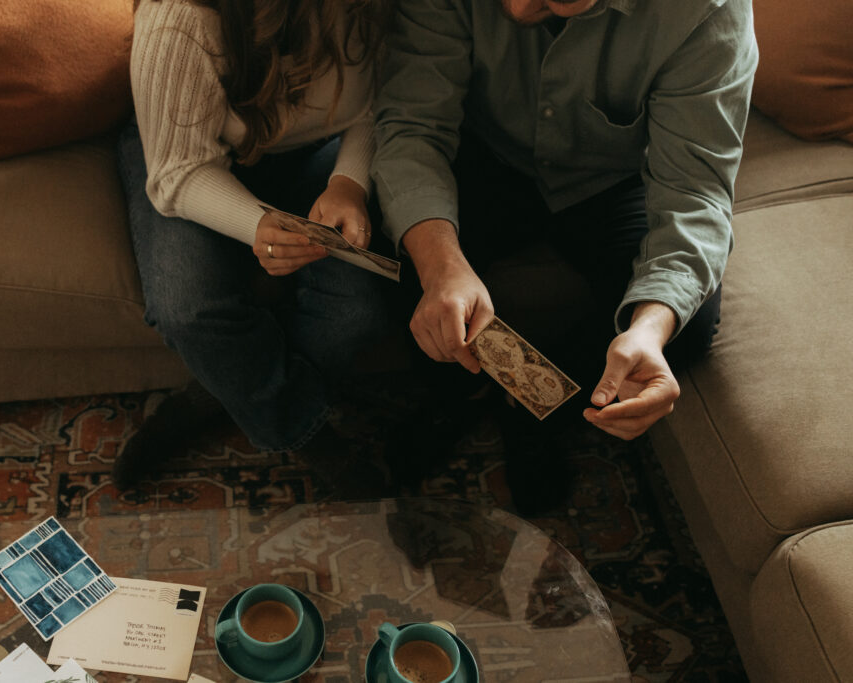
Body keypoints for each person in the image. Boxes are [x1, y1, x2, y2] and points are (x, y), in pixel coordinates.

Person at [372, 0, 758, 509]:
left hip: (612, 180)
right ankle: (458, 396)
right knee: (394, 247)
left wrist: (648, 329)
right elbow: (412, 125)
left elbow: (694, 194)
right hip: (485, 153)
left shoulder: (707, 10)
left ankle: (538, 410)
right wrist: (442, 265)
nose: (515, 6)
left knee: (686, 322)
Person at [114, 0, 395, 491]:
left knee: (355, 315)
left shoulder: (368, 11)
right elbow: (178, 171)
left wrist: (349, 182)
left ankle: (214, 393)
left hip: (319, 151)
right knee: (188, 307)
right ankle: (306, 434)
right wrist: (255, 224)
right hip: (192, 153)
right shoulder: (180, 17)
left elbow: (382, 104)